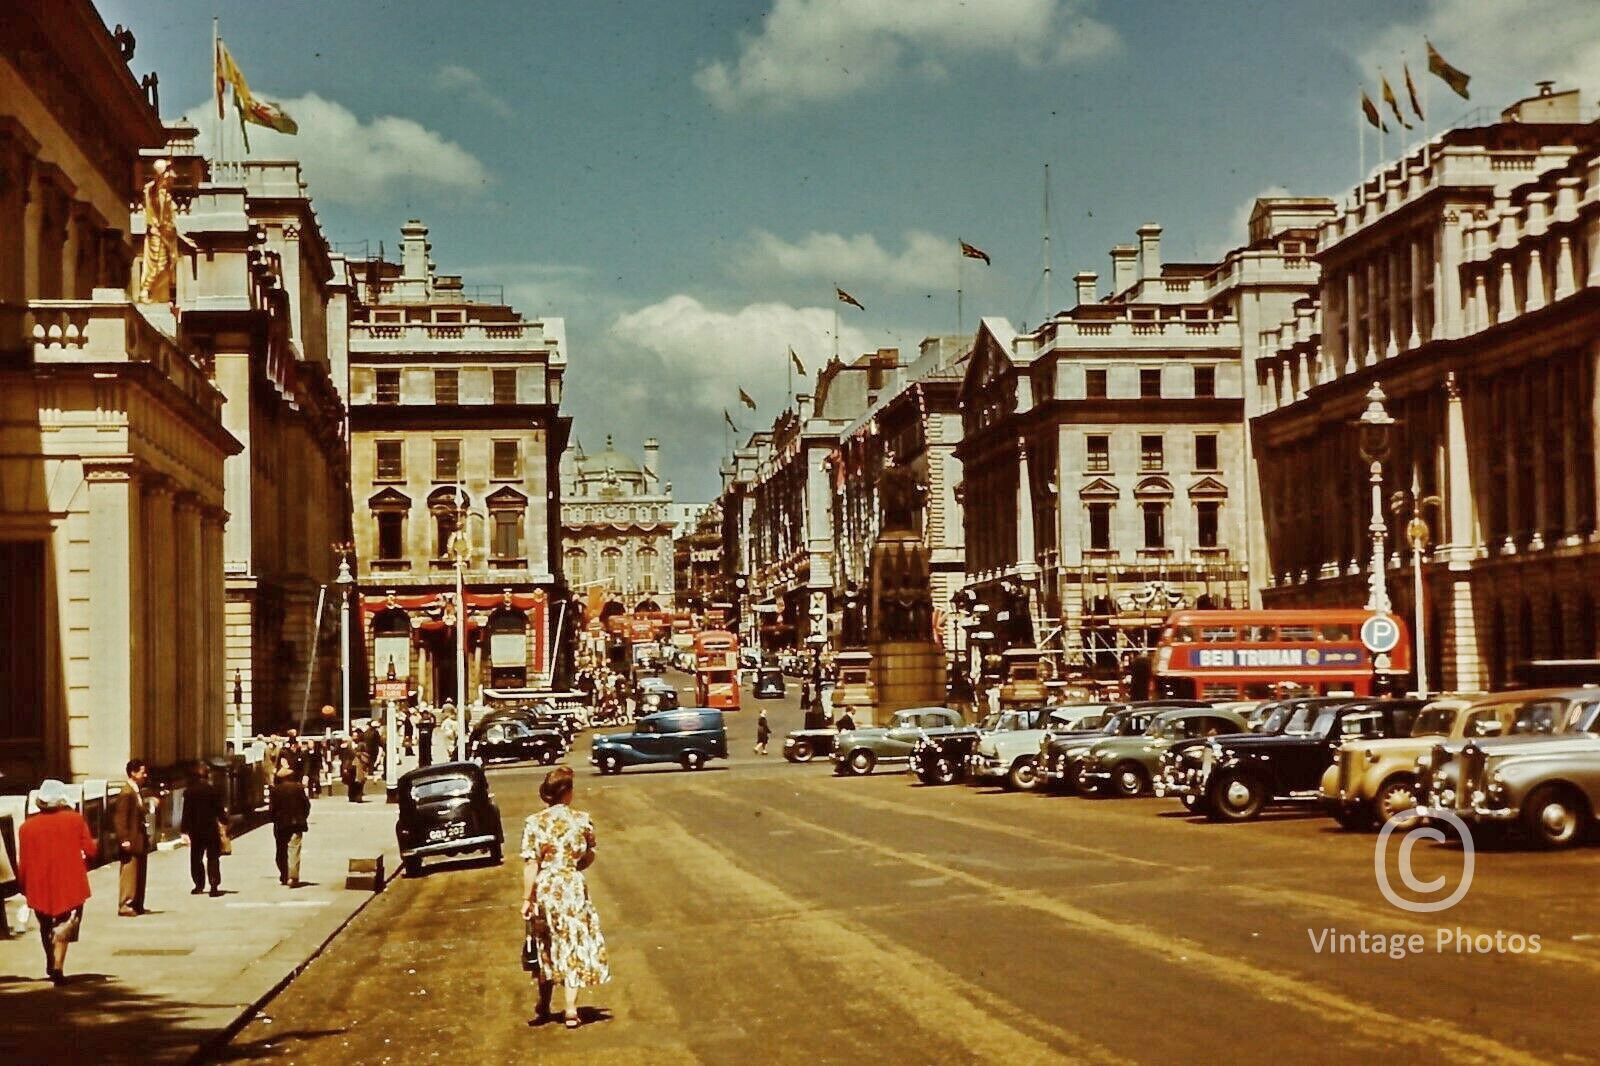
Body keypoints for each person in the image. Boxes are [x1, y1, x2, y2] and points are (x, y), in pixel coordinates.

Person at [521, 766, 609, 1029]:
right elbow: (590, 853)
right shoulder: (582, 820)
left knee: (545, 942)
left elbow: (531, 864)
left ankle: (544, 1004)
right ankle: (571, 1009)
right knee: (572, 942)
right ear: (567, 792)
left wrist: (527, 898)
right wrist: (573, 866)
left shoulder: (534, 823)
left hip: (546, 885)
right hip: (571, 885)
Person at [17, 780, 97, 984]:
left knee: (45, 924)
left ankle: (50, 959)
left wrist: (24, 885)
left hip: (38, 883)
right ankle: (58, 965)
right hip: (69, 881)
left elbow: (23, 861)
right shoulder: (75, 820)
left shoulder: (26, 827)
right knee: (64, 924)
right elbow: (91, 850)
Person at [180, 760, 228, 897]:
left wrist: (184, 830)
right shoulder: (212, 790)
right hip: (211, 829)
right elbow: (219, 810)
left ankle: (198, 885)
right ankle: (214, 884)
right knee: (213, 857)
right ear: (207, 775)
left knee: (196, 858)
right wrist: (224, 821)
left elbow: (186, 812)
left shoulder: (189, 792)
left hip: (196, 830)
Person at [111, 759, 151, 916]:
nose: (145, 775)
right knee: (130, 872)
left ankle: (137, 903)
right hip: (131, 839)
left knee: (139, 872)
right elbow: (120, 818)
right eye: (142, 772)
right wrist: (124, 839)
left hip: (139, 838)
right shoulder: (127, 793)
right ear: (133, 773)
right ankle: (126, 903)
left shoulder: (136, 790)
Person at [269, 758, 310, 887]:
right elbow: (306, 805)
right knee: (294, 850)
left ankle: (284, 874)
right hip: (297, 823)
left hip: (281, 825)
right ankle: (293, 876)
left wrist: (274, 819)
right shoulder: (298, 788)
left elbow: (272, 809)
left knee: (281, 850)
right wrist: (303, 816)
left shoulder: (275, 790)